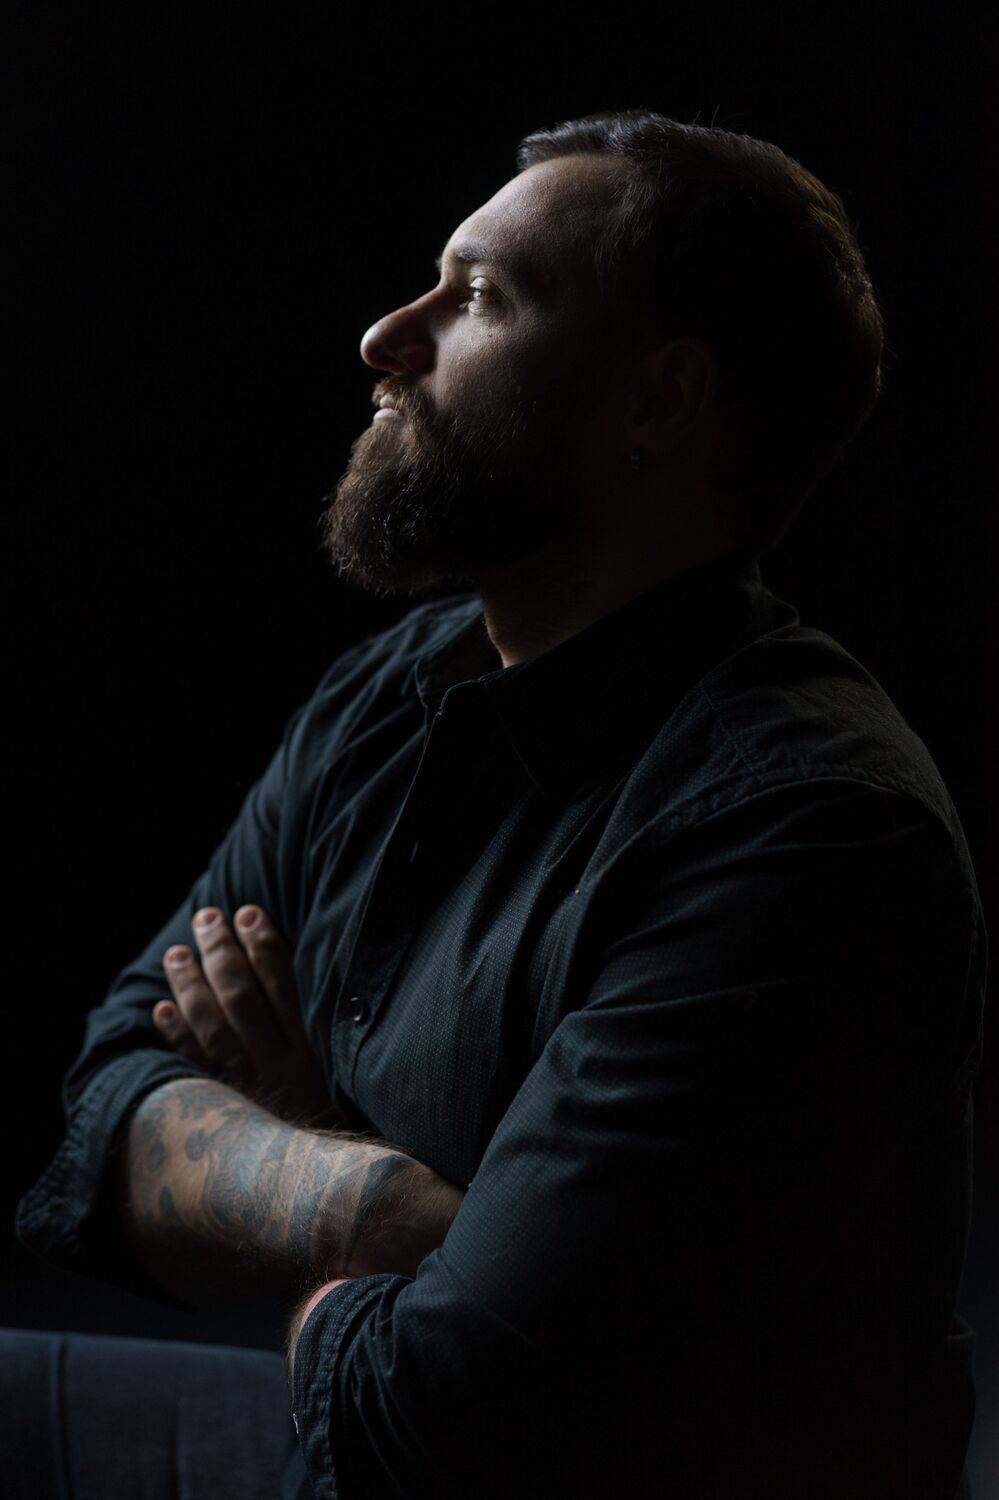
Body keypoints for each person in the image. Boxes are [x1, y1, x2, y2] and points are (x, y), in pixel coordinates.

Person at [9, 108, 987, 1499]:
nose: (385, 338)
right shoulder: (387, 694)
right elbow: (108, 1105)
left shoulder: (804, 831)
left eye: (477, 297)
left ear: (658, 401)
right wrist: (381, 1200)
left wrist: (281, 1157)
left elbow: (438, 1404)